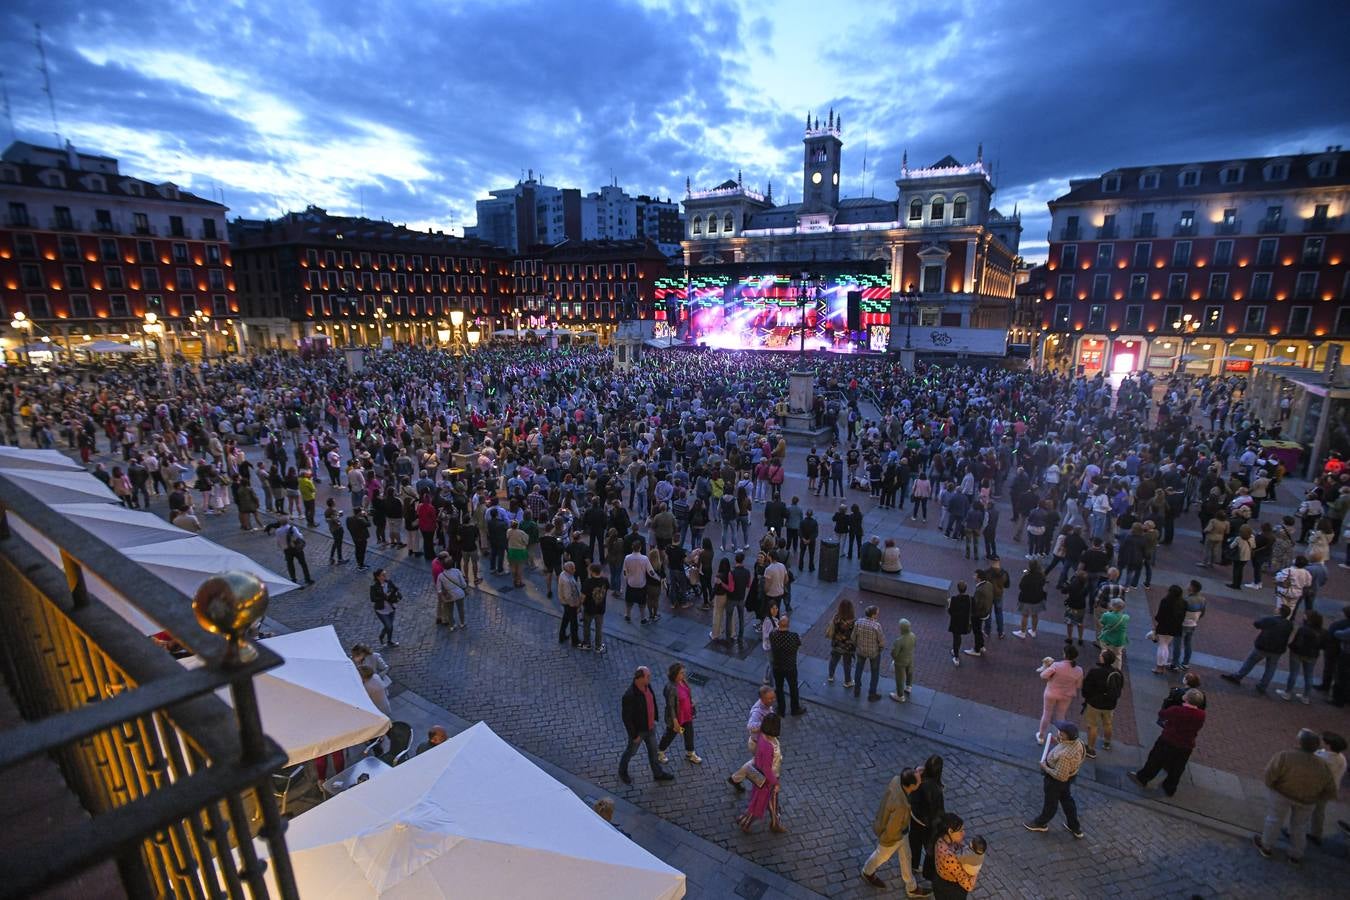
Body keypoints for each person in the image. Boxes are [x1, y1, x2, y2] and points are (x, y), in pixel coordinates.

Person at [1254, 728, 1338, 863]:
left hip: (1282, 794)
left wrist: (1271, 786)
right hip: (1307, 801)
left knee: (1274, 820)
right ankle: (1295, 855)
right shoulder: (1323, 765)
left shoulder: (1286, 756)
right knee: (1299, 826)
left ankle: (1266, 846)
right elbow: (1330, 789)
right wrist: (1316, 798)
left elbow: (1270, 773)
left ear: (1300, 742)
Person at [860, 767, 933, 897]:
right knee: (882, 855)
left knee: (906, 857)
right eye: (918, 780)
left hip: (899, 831)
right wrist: (897, 838)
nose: (920, 781)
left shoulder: (897, 780)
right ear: (911, 785)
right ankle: (867, 871)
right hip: (894, 836)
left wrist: (917, 771)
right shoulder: (901, 806)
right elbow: (892, 829)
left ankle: (911, 887)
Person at [1130, 688, 1207, 797]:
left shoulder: (1176, 710)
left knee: (1155, 760)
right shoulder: (1201, 715)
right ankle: (1170, 787)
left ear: (1187, 699)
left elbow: (1162, 713)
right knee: (1178, 767)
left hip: (1169, 740)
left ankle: (1143, 778)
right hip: (1186, 745)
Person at [1024, 721, 1086, 839]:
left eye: (1061, 733)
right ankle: (1074, 827)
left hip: (1056, 782)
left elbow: (1060, 776)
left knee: (1051, 803)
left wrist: (1045, 767)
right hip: (1069, 778)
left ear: (1067, 736)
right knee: (1067, 800)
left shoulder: (1064, 756)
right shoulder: (1079, 743)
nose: (1059, 733)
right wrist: (1058, 741)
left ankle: (1041, 823)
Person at [618, 666, 675, 785]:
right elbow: (627, 719)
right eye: (647, 676)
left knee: (654, 752)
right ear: (640, 678)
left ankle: (658, 774)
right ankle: (622, 771)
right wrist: (634, 735)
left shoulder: (647, 686)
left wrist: (653, 719)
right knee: (631, 752)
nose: (650, 678)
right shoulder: (630, 695)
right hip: (639, 732)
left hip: (650, 727)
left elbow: (651, 702)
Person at [1221, 606, 1295, 693]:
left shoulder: (1270, 619)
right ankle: (1263, 686)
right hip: (1277, 650)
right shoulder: (1289, 624)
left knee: (1250, 662)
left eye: (1278, 609)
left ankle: (1238, 677)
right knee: (1271, 668)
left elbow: (1257, 624)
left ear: (1280, 612)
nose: (1276, 609)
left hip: (1263, 647)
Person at [735, 713, 784, 834]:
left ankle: (775, 822)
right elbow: (767, 769)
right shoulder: (768, 746)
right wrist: (775, 783)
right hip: (767, 779)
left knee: (767, 801)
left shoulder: (762, 737)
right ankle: (745, 822)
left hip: (760, 775)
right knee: (759, 803)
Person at [728, 685, 776, 792]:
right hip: (757, 744)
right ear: (762, 699)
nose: (773, 700)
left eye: (773, 697)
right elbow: (750, 726)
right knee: (756, 763)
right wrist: (765, 724)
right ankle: (737, 779)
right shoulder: (757, 711)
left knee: (759, 763)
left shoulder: (767, 705)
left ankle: (736, 779)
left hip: (762, 742)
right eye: (770, 698)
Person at [1036, 644, 1083, 744]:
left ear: (1065, 654)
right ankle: (1060, 737)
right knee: (1061, 716)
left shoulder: (1056, 665)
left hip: (1051, 693)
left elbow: (1043, 675)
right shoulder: (1079, 670)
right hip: (1066, 695)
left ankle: (1041, 736)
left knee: (1047, 713)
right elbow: (1079, 685)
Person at [1081, 648, 1123, 758]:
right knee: (1108, 723)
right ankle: (1107, 742)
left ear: (1103, 659)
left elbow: (1086, 687)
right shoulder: (1117, 672)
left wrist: (1087, 697)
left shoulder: (1095, 672)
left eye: (1101, 655)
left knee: (1093, 726)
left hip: (1095, 703)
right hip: (1110, 703)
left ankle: (1090, 748)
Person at [657, 662, 701, 765]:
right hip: (677, 718)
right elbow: (671, 707)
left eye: (684, 672)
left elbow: (686, 693)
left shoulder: (683, 681)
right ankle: (660, 752)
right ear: (675, 674)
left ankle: (690, 753)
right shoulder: (671, 688)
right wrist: (675, 722)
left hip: (687, 715)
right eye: (681, 673)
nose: (684, 675)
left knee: (689, 734)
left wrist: (690, 702)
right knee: (670, 735)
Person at [909, 755, 945, 882]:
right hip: (927, 824)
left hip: (914, 819)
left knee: (915, 844)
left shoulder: (918, 777)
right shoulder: (935, 789)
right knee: (930, 849)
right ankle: (928, 874)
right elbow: (939, 812)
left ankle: (913, 865)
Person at [1277, 610, 1324, 703]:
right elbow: (1323, 645)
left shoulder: (1303, 629)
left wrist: (1291, 646)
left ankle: (1288, 693)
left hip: (1298, 653)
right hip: (1312, 655)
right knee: (1309, 675)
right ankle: (1306, 696)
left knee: (1293, 673)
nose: (1304, 616)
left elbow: (1297, 642)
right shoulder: (1322, 632)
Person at [1311, 731, 1347, 846]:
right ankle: (1316, 834)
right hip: (1329, 790)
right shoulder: (1341, 757)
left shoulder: (1322, 759)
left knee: (1304, 811)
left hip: (1317, 789)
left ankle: (1295, 832)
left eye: (1323, 741)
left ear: (1329, 745)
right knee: (1319, 812)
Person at [932, 814, 979, 900]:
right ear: (950, 831)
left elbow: (959, 848)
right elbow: (969, 886)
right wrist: (976, 867)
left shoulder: (940, 839)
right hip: (951, 891)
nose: (964, 833)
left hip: (940, 882)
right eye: (960, 831)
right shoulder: (949, 857)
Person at [769, 615, 806, 717]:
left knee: (779, 688)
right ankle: (795, 708)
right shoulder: (793, 636)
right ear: (788, 625)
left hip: (777, 666)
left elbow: (772, 635)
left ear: (779, 624)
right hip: (790, 667)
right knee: (793, 687)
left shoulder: (773, 635)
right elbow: (799, 643)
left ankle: (781, 709)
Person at [852, 605, 886, 701]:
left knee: (859, 669)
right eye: (877, 613)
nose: (878, 615)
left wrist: (858, 645)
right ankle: (872, 694)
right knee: (874, 672)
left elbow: (853, 637)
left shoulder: (858, 622)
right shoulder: (877, 626)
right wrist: (880, 648)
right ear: (873, 615)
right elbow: (882, 641)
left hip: (861, 651)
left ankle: (857, 689)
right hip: (873, 653)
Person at [1152, 584, 1188, 674]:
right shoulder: (1183, 602)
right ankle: (1163, 667)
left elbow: (1160, 615)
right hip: (1175, 627)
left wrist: (1156, 623)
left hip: (1164, 626)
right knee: (1166, 646)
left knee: (1162, 646)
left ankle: (1159, 667)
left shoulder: (1165, 601)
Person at [1171, 580, 1206, 669]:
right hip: (1193, 624)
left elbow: (1179, 613)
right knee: (1188, 643)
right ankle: (1186, 663)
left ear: (1192, 588)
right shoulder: (1202, 599)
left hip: (1182, 624)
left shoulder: (1186, 600)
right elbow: (1202, 613)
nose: (1187, 586)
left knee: (1177, 644)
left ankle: (1175, 663)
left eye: (1189, 584)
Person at [622, 543, 658, 624]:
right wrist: (658, 578)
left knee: (629, 601)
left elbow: (624, 571)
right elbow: (650, 571)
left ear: (632, 547)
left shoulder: (627, 558)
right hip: (641, 584)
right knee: (642, 603)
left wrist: (626, 579)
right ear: (640, 548)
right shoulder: (644, 559)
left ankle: (628, 615)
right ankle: (642, 618)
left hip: (631, 583)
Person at [826, 598, 857, 687]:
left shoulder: (836, 618)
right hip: (848, 646)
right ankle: (847, 681)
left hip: (836, 643)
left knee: (834, 660)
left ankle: (831, 676)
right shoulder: (853, 622)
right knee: (847, 664)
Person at [1012, 560, 1047, 639]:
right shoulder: (1041, 575)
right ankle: (1033, 631)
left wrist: (1024, 575)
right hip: (1038, 598)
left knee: (1025, 615)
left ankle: (1022, 632)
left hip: (1026, 599)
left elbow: (1021, 586)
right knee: (1035, 615)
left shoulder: (1027, 576)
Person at [369, 568, 401, 647]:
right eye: (383, 575)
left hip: (391, 607)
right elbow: (373, 599)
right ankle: (387, 640)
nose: (385, 576)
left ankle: (386, 638)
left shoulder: (389, 582)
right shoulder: (374, 587)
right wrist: (384, 597)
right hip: (381, 610)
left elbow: (395, 588)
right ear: (378, 577)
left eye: (385, 574)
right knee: (389, 626)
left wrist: (395, 594)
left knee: (389, 625)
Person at [581, 562, 609, 653]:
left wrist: (579, 606)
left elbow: (583, 597)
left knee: (586, 627)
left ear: (592, 572)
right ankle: (598, 646)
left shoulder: (588, 582)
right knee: (599, 628)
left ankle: (587, 644)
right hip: (600, 609)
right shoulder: (605, 580)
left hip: (589, 609)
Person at [435, 559, 468, 630]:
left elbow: (439, 589)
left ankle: (452, 625)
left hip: (449, 595)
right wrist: (464, 587)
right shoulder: (457, 571)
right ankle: (462, 623)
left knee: (449, 611)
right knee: (461, 609)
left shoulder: (441, 576)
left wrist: (442, 596)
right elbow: (463, 583)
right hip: (459, 594)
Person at [890, 619, 917, 703]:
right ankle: (909, 686)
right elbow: (914, 645)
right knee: (910, 672)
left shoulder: (899, 640)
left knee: (900, 678)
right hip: (910, 658)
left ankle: (900, 695)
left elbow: (894, 653)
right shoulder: (913, 635)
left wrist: (894, 658)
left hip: (900, 662)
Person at [946, 581, 972, 666]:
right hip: (964, 622)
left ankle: (956, 656)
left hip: (955, 622)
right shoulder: (969, 599)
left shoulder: (954, 599)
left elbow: (950, 612)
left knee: (955, 638)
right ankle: (956, 651)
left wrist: (949, 604)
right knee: (959, 637)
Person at [557, 560, 582, 647]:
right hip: (570, 604)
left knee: (566, 619)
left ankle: (562, 635)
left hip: (566, 603)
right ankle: (575, 641)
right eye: (573, 568)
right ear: (569, 569)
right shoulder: (567, 581)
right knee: (574, 623)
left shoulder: (563, 574)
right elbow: (568, 596)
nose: (575, 570)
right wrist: (574, 605)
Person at [710, 557, 734, 641]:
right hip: (728, 596)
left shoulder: (719, 575)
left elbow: (715, 588)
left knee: (717, 614)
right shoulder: (730, 573)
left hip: (719, 596)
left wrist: (711, 597)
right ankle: (732, 632)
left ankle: (715, 633)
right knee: (730, 615)